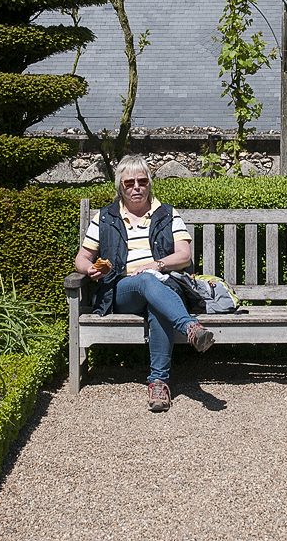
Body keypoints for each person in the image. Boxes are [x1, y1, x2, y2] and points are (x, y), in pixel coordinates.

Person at [75, 155, 214, 412]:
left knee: (156, 304)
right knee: (146, 282)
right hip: (122, 289)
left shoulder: (167, 213)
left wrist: (156, 265)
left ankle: (158, 384)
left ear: (150, 183)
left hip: (164, 286)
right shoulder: (105, 217)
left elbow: (184, 255)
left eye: (142, 181)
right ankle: (190, 328)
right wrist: (90, 269)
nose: (136, 187)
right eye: (129, 183)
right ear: (120, 186)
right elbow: (82, 259)